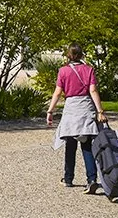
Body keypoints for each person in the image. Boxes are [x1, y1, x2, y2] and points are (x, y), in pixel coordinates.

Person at [46, 45, 108, 194]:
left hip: (71, 108)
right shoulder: (89, 70)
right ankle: (91, 179)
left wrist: (50, 111)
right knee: (86, 145)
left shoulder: (63, 71)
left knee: (70, 144)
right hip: (85, 107)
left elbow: (57, 93)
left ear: (68, 55)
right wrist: (100, 111)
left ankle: (68, 178)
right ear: (82, 55)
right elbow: (93, 90)